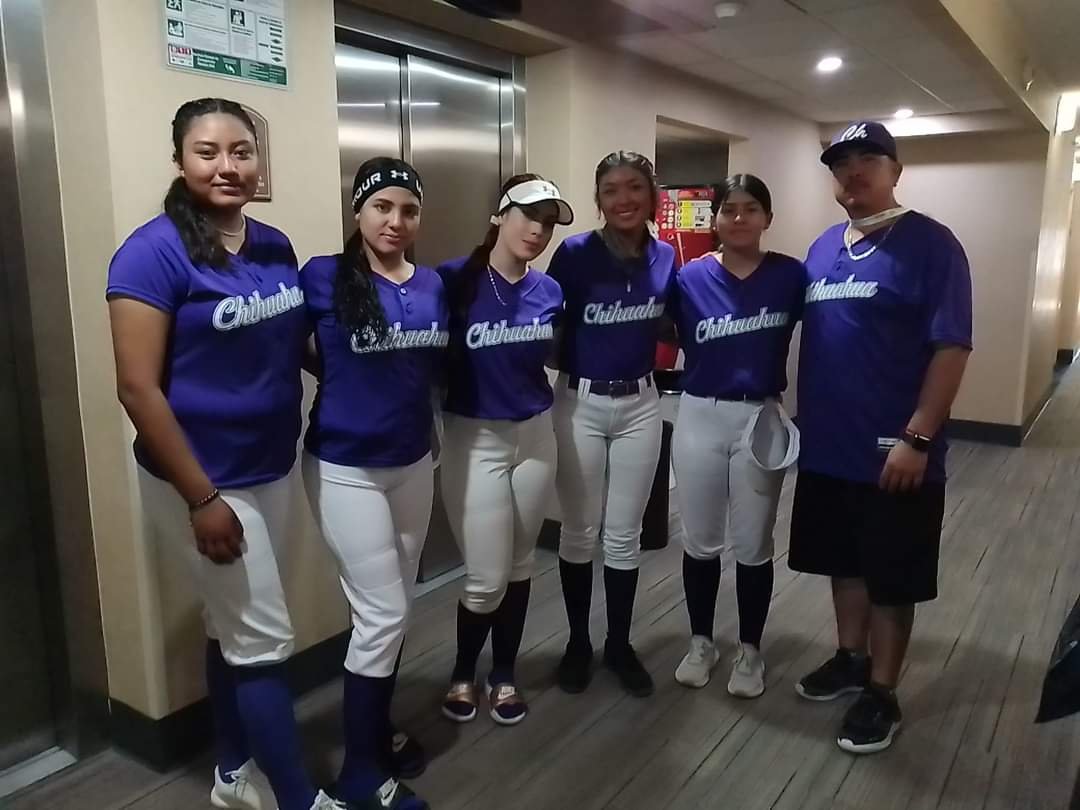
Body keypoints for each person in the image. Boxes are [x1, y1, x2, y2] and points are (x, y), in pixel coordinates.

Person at [107, 98, 341, 810]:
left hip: (271, 463)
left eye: (241, 151)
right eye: (207, 152)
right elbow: (137, 389)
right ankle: (299, 799)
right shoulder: (150, 253)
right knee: (263, 641)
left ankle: (233, 774)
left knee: (232, 626)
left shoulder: (272, 245)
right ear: (179, 161)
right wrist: (202, 499)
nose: (226, 166)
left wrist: (367, 370)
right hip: (205, 479)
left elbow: (290, 344)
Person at [791, 120, 972, 754]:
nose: (853, 171)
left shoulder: (931, 245)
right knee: (844, 562)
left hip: (895, 449)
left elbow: (952, 346)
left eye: (869, 158)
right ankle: (850, 657)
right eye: (841, 162)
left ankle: (883, 690)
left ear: (895, 170)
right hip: (828, 446)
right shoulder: (822, 248)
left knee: (892, 575)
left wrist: (918, 437)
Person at [301, 157, 444, 809]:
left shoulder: (432, 284)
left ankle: (374, 731)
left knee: (392, 611)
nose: (395, 220)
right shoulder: (323, 276)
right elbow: (290, 346)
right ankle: (360, 773)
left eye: (408, 209)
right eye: (382, 206)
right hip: (345, 468)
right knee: (383, 614)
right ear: (358, 210)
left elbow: (426, 368)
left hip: (413, 463)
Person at [437, 175, 573, 725]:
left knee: (520, 565)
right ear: (500, 215)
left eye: (548, 222)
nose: (538, 230)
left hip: (536, 436)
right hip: (475, 440)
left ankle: (503, 673)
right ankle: (462, 672)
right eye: (528, 216)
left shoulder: (549, 291)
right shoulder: (452, 281)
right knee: (484, 577)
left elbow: (557, 354)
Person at [669, 174, 804, 698]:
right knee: (700, 540)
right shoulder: (688, 278)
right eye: (730, 209)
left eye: (751, 209)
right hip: (700, 414)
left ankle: (751, 650)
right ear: (716, 218)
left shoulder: (790, 276)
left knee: (752, 543)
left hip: (759, 416)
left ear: (768, 218)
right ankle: (701, 642)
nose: (740, 218)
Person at [548, 151, 677, 698]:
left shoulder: (666, 256)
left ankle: (619, 645)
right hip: (579, 402)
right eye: (610, 190)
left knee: (625, 535)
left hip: (641, 404)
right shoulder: (574, 253)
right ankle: (578, 643)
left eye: (634, 187)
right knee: (580, 530)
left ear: (652, 195)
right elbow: (545, 325)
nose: (623, 199)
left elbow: (673, 322)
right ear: (598, 200)